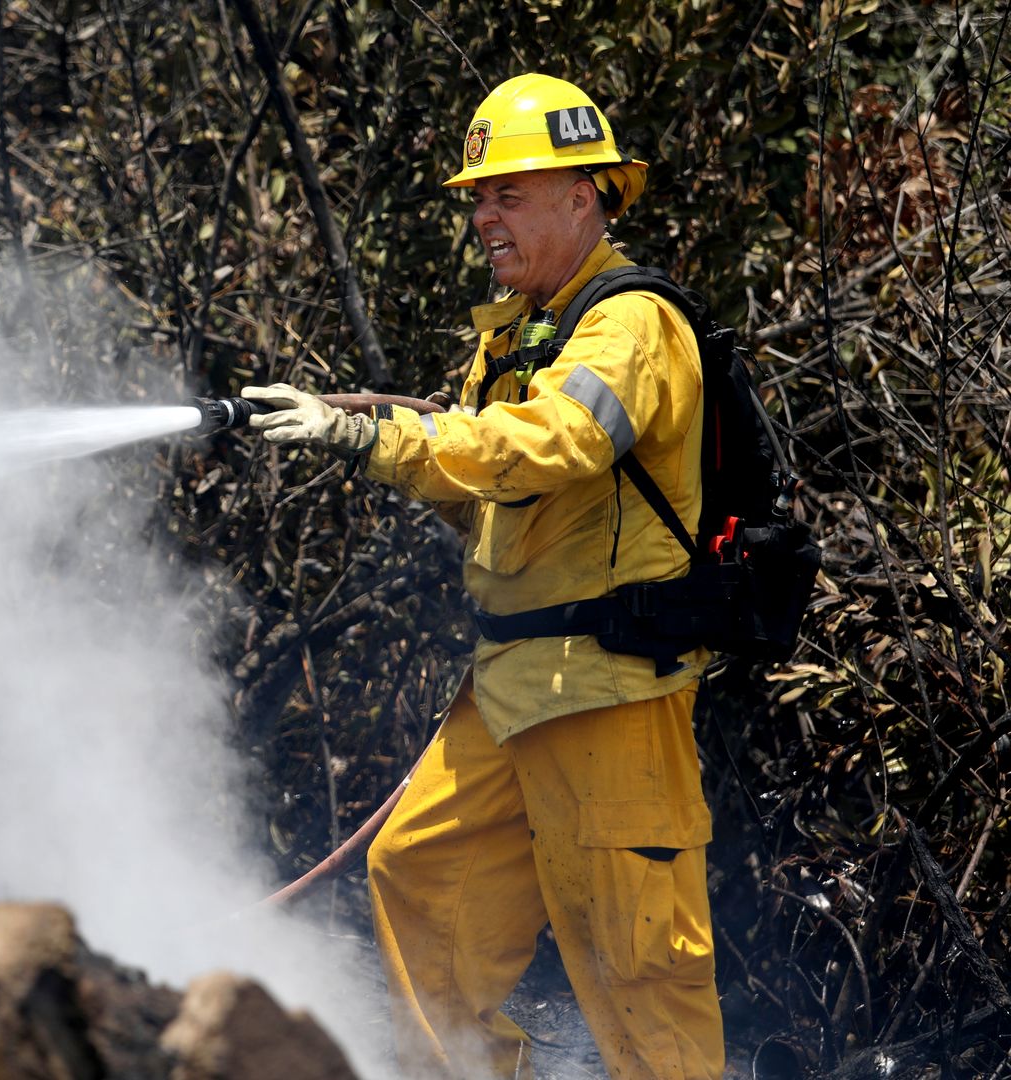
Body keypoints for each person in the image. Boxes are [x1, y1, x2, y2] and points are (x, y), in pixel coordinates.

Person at [242, 73, 724, 1078]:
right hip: (514, 690)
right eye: (477, 197)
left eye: (507, 192)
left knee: (635, 966)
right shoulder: (520, 334)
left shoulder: (631, 327)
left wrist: (377, 440)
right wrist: (376, 446)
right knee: (420, 881)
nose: (483, 216)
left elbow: (556, 442)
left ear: (583, 196)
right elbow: (494, 492)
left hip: (607, 691)